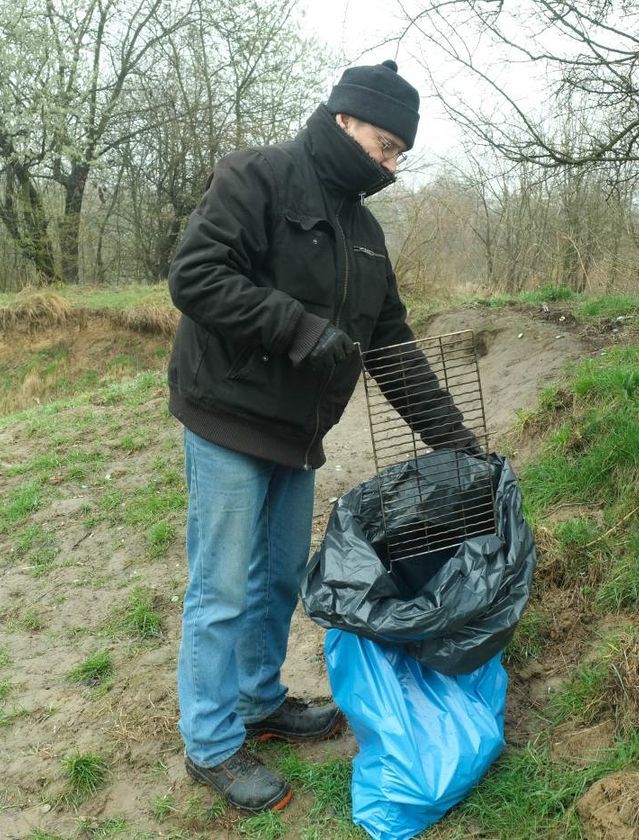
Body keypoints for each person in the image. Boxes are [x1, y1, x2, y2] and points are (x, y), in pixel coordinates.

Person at [166, 59, 479, 813]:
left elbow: (393, 348)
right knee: (223, 586)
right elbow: (195, 275)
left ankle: (258, 702)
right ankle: (210, 744)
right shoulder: (259, 178)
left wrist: (459, 442)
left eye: (401, 152)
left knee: (279, 579)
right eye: (384, 143)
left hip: (297, 436)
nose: (392, 162)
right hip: (228, 415)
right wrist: (300, 329)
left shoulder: (367, 236)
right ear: (344, 121)